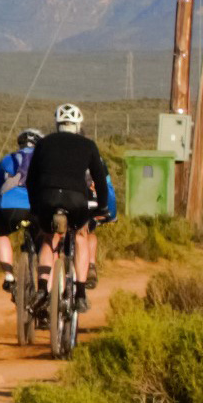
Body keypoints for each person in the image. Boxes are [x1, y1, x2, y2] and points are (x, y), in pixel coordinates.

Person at [21, 102, 122, 310]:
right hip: (76, 200)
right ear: (78, 125)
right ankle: (81, 292)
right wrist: (102, 207)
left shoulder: (44, 143)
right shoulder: (88, 145)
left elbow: (31, 179)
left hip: (47, 198)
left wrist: (35, 206)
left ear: (57, 124)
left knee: (49, 238)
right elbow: (100, 181)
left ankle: (42, 289)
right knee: (80, 235)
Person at [0, 128, 41, 299]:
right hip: (37, 209)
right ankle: (46, 282)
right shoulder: (43, 160)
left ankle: (9, 276)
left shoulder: (7, 160)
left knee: (0, 233)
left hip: (9, 208)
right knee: (45, 241)